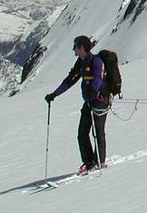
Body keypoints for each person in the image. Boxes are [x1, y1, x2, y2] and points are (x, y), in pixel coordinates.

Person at [45, 35, 111, 175]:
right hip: (89, 102)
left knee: (98, 132)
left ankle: (99, 162)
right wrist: (54, 94)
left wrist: (93, 93)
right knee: (82, 133)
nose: (74, 50)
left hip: (100, 101)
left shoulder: (96, 61)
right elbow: (70, 80)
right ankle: (89, 162)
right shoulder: (81, 62)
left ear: (82, 48)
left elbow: (98, 79)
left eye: (75, 47)